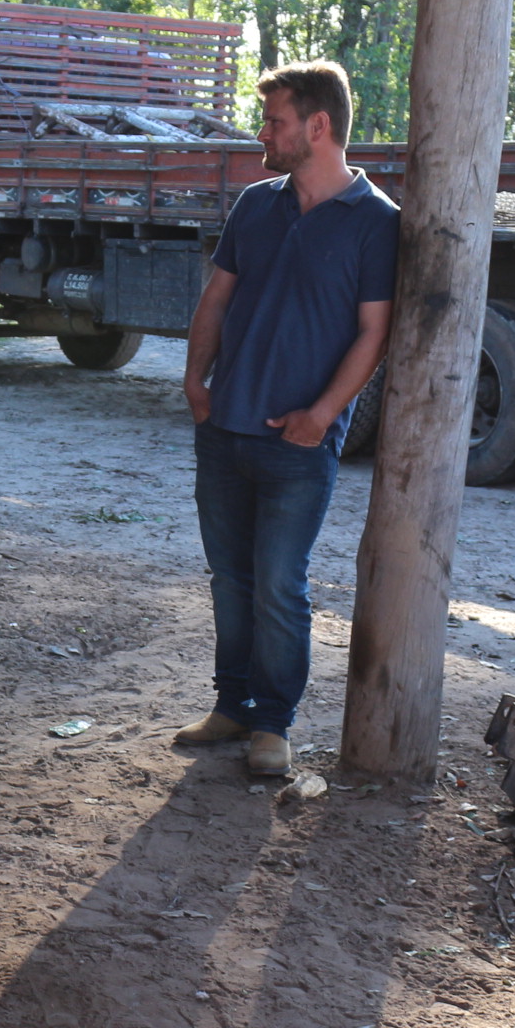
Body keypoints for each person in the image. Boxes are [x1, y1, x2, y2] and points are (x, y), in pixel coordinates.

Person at [176, 61, 394, 777]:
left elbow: (373, 332)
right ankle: (231, 705)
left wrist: (323, 415)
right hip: (225, 428)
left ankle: (273, 725)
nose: (262, 132)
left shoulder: (377, 223)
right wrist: (195, 382)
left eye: (274, 120)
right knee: (230, 578)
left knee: (278, 581)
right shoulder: (257, 205)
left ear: (318, 126)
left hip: (300, 443)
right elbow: (216, 298)